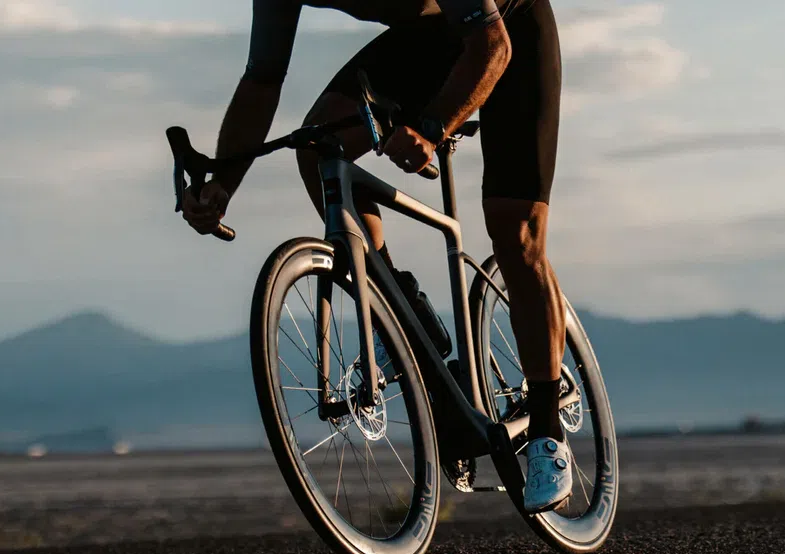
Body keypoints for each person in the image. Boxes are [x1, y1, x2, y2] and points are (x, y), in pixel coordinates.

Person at [181, 0, 571, 514]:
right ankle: (404, 315)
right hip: (431, 38)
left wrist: (431, 129)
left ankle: (546, 429)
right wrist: (222, 186)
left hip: (507, 33)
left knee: (515, 230)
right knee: (323, 149)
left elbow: (492, 48)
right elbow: (261, 82)